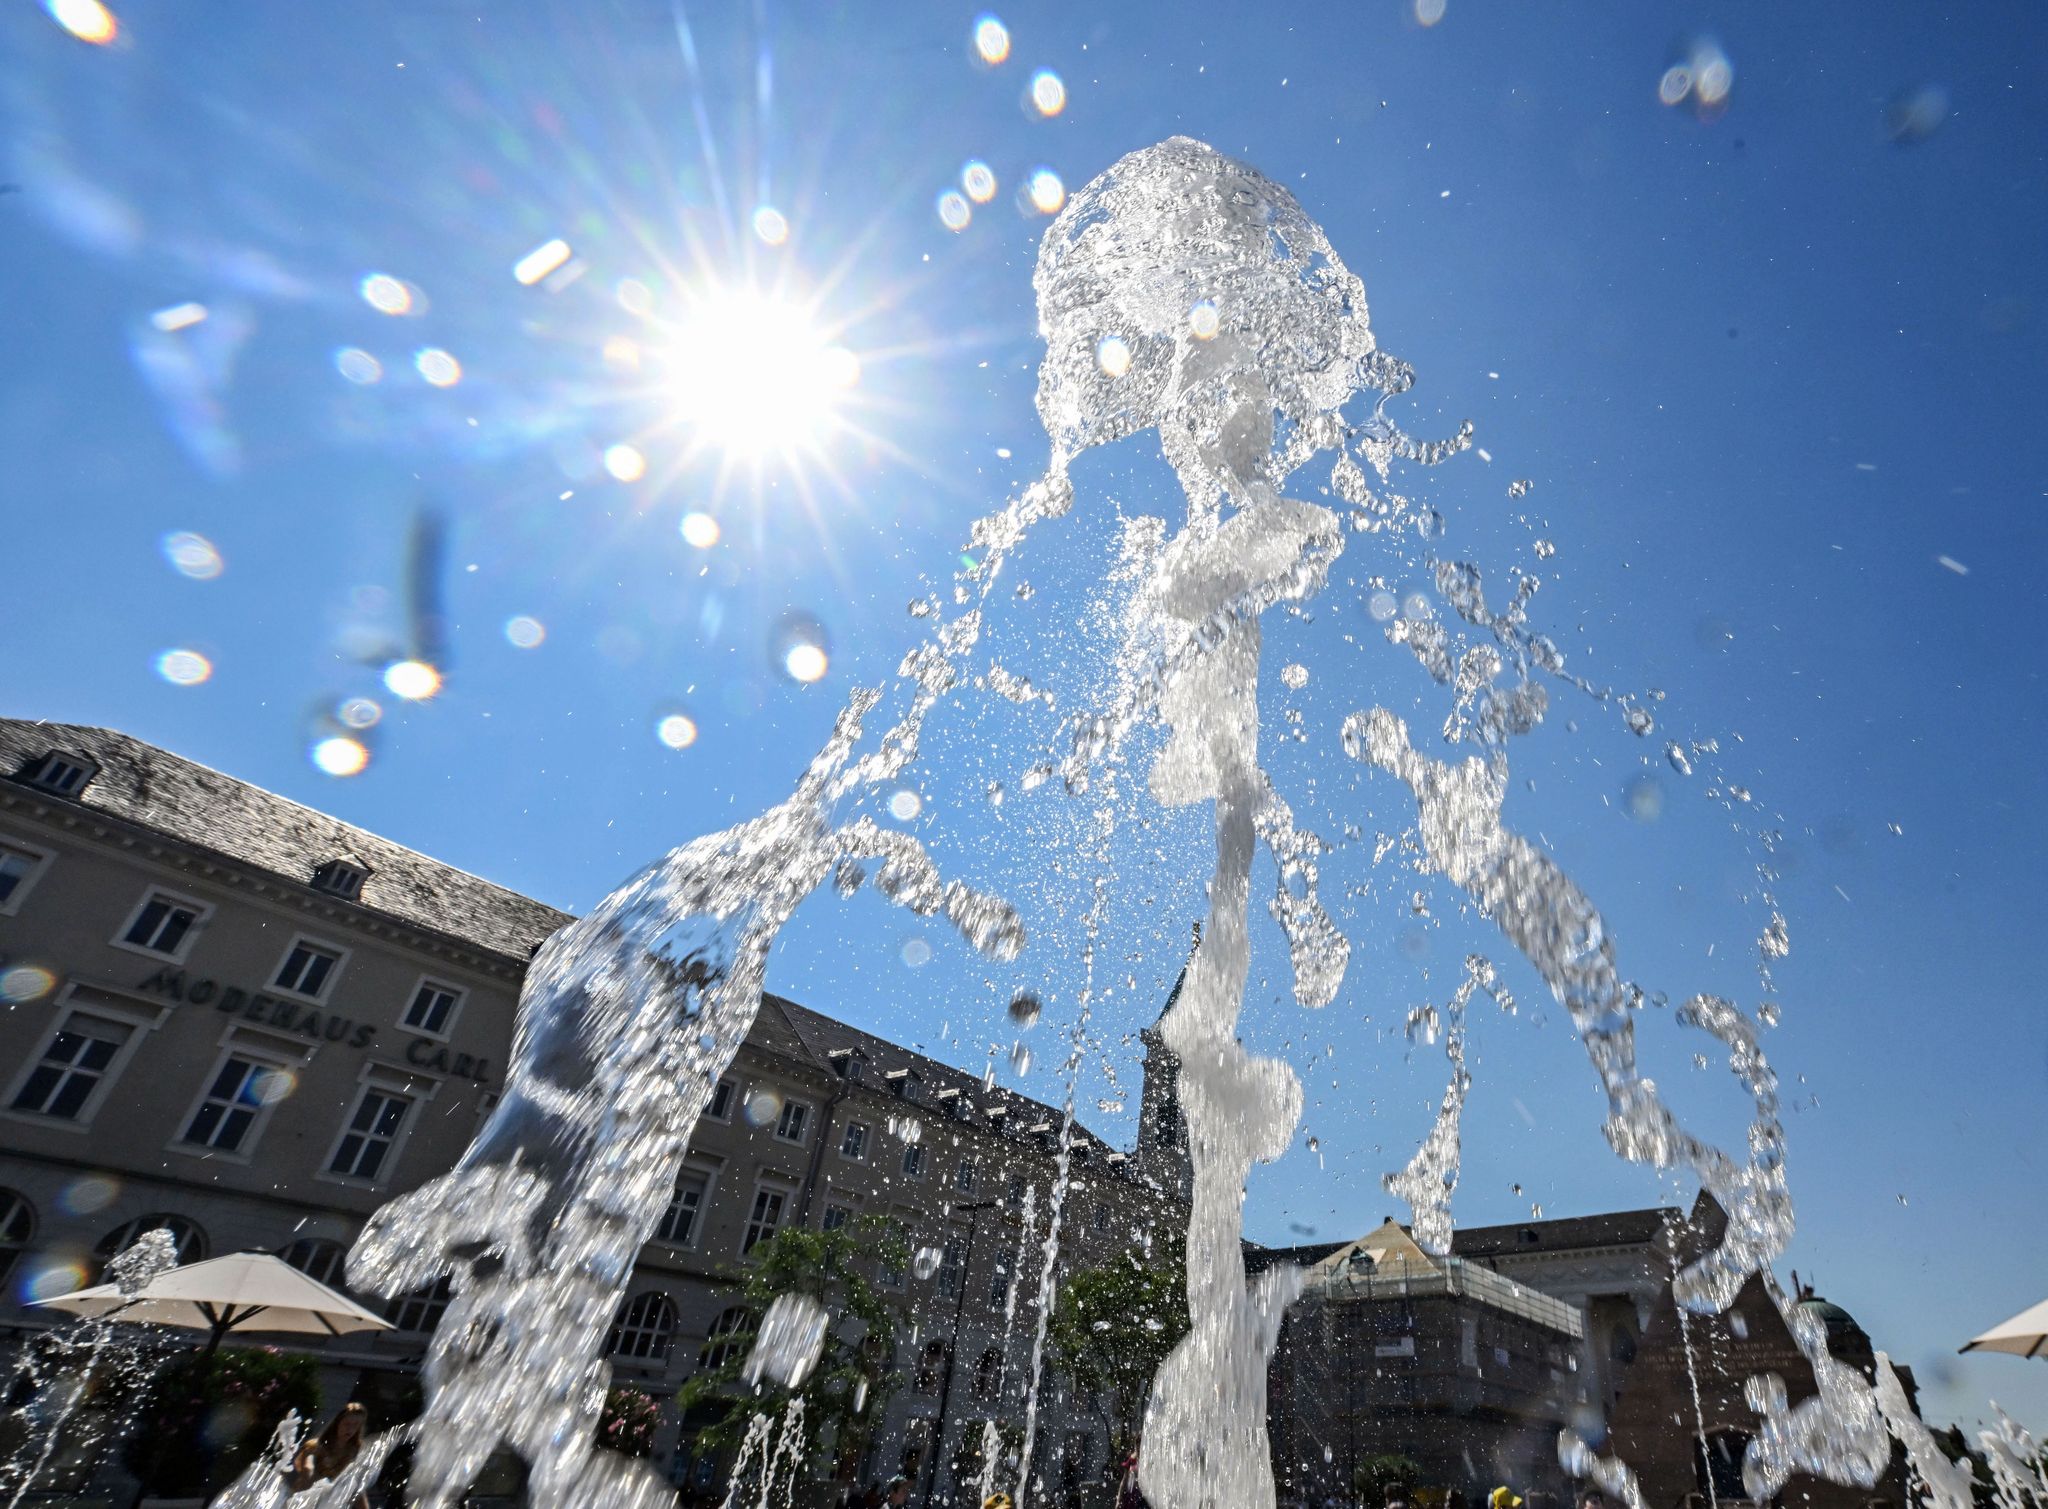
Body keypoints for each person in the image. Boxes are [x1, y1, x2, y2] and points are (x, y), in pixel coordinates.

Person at [288, 1402, 371, 1506]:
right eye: (347, 1424)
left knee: (357, 1487)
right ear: (338, 1423)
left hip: (330, 1502)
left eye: (356, 1425)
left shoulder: (355, 1452)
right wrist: (308, 1472)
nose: (350, 1429)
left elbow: (357, 1485)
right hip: (305, 1497)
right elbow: (308, 1467)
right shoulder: (316, 1446)